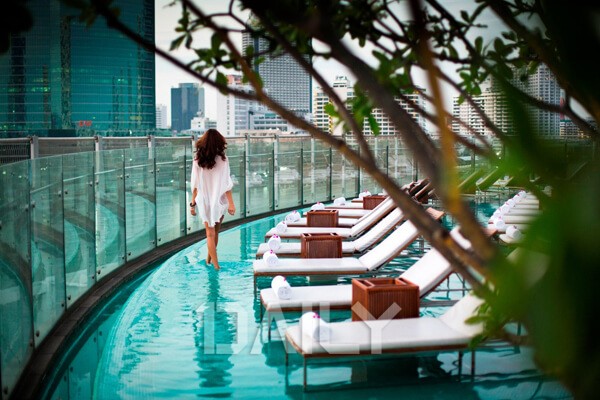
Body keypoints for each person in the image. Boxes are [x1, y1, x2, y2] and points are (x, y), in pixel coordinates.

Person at [190, 129, 236, 270]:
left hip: (204, 200)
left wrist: (192, 203)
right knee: (215, 232)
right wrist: (231, 204)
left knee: (209, 234)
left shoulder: (197, 160)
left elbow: (195, 184)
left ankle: (210, 261)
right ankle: (216, 266)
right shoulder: (223, 160)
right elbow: (227, 183)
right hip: (219, 200)